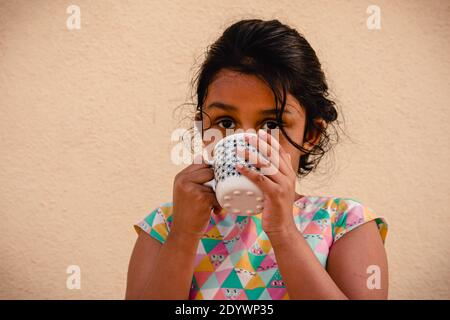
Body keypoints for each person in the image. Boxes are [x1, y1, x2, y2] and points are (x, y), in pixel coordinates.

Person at [125, 19, 388, 300]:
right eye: (225, 121)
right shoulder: (166, 226)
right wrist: (183, 236)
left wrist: (283, 231)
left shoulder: (344, 223)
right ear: (204, 131)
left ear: (311, 133)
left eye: (272, 124)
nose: (247, 141)